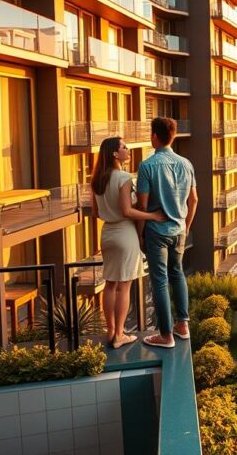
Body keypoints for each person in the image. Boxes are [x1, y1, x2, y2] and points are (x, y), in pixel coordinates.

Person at [90, 137, 166, 349]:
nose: (128, 148)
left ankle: (111, 331)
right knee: (124, 286)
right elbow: (127, 211)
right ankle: (120, 335)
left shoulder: (97, 180)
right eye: (124, 146)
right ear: (115, 154)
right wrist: (153, 216)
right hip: (124, 233)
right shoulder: (124, 177)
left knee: (110, 284)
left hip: (107, 234)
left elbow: (96, 212)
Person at [137, 117, 198, 348]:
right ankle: (182, 326)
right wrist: (186, 225)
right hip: (179, 229)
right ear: (172, 137)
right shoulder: (186, 163)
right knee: (178, 274)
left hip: (156, 231)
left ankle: (166, 334)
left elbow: (142, 206)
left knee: (160, 281)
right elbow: (194, 200)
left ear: (154, 136)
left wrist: (141, 235)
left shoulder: (147, 166)